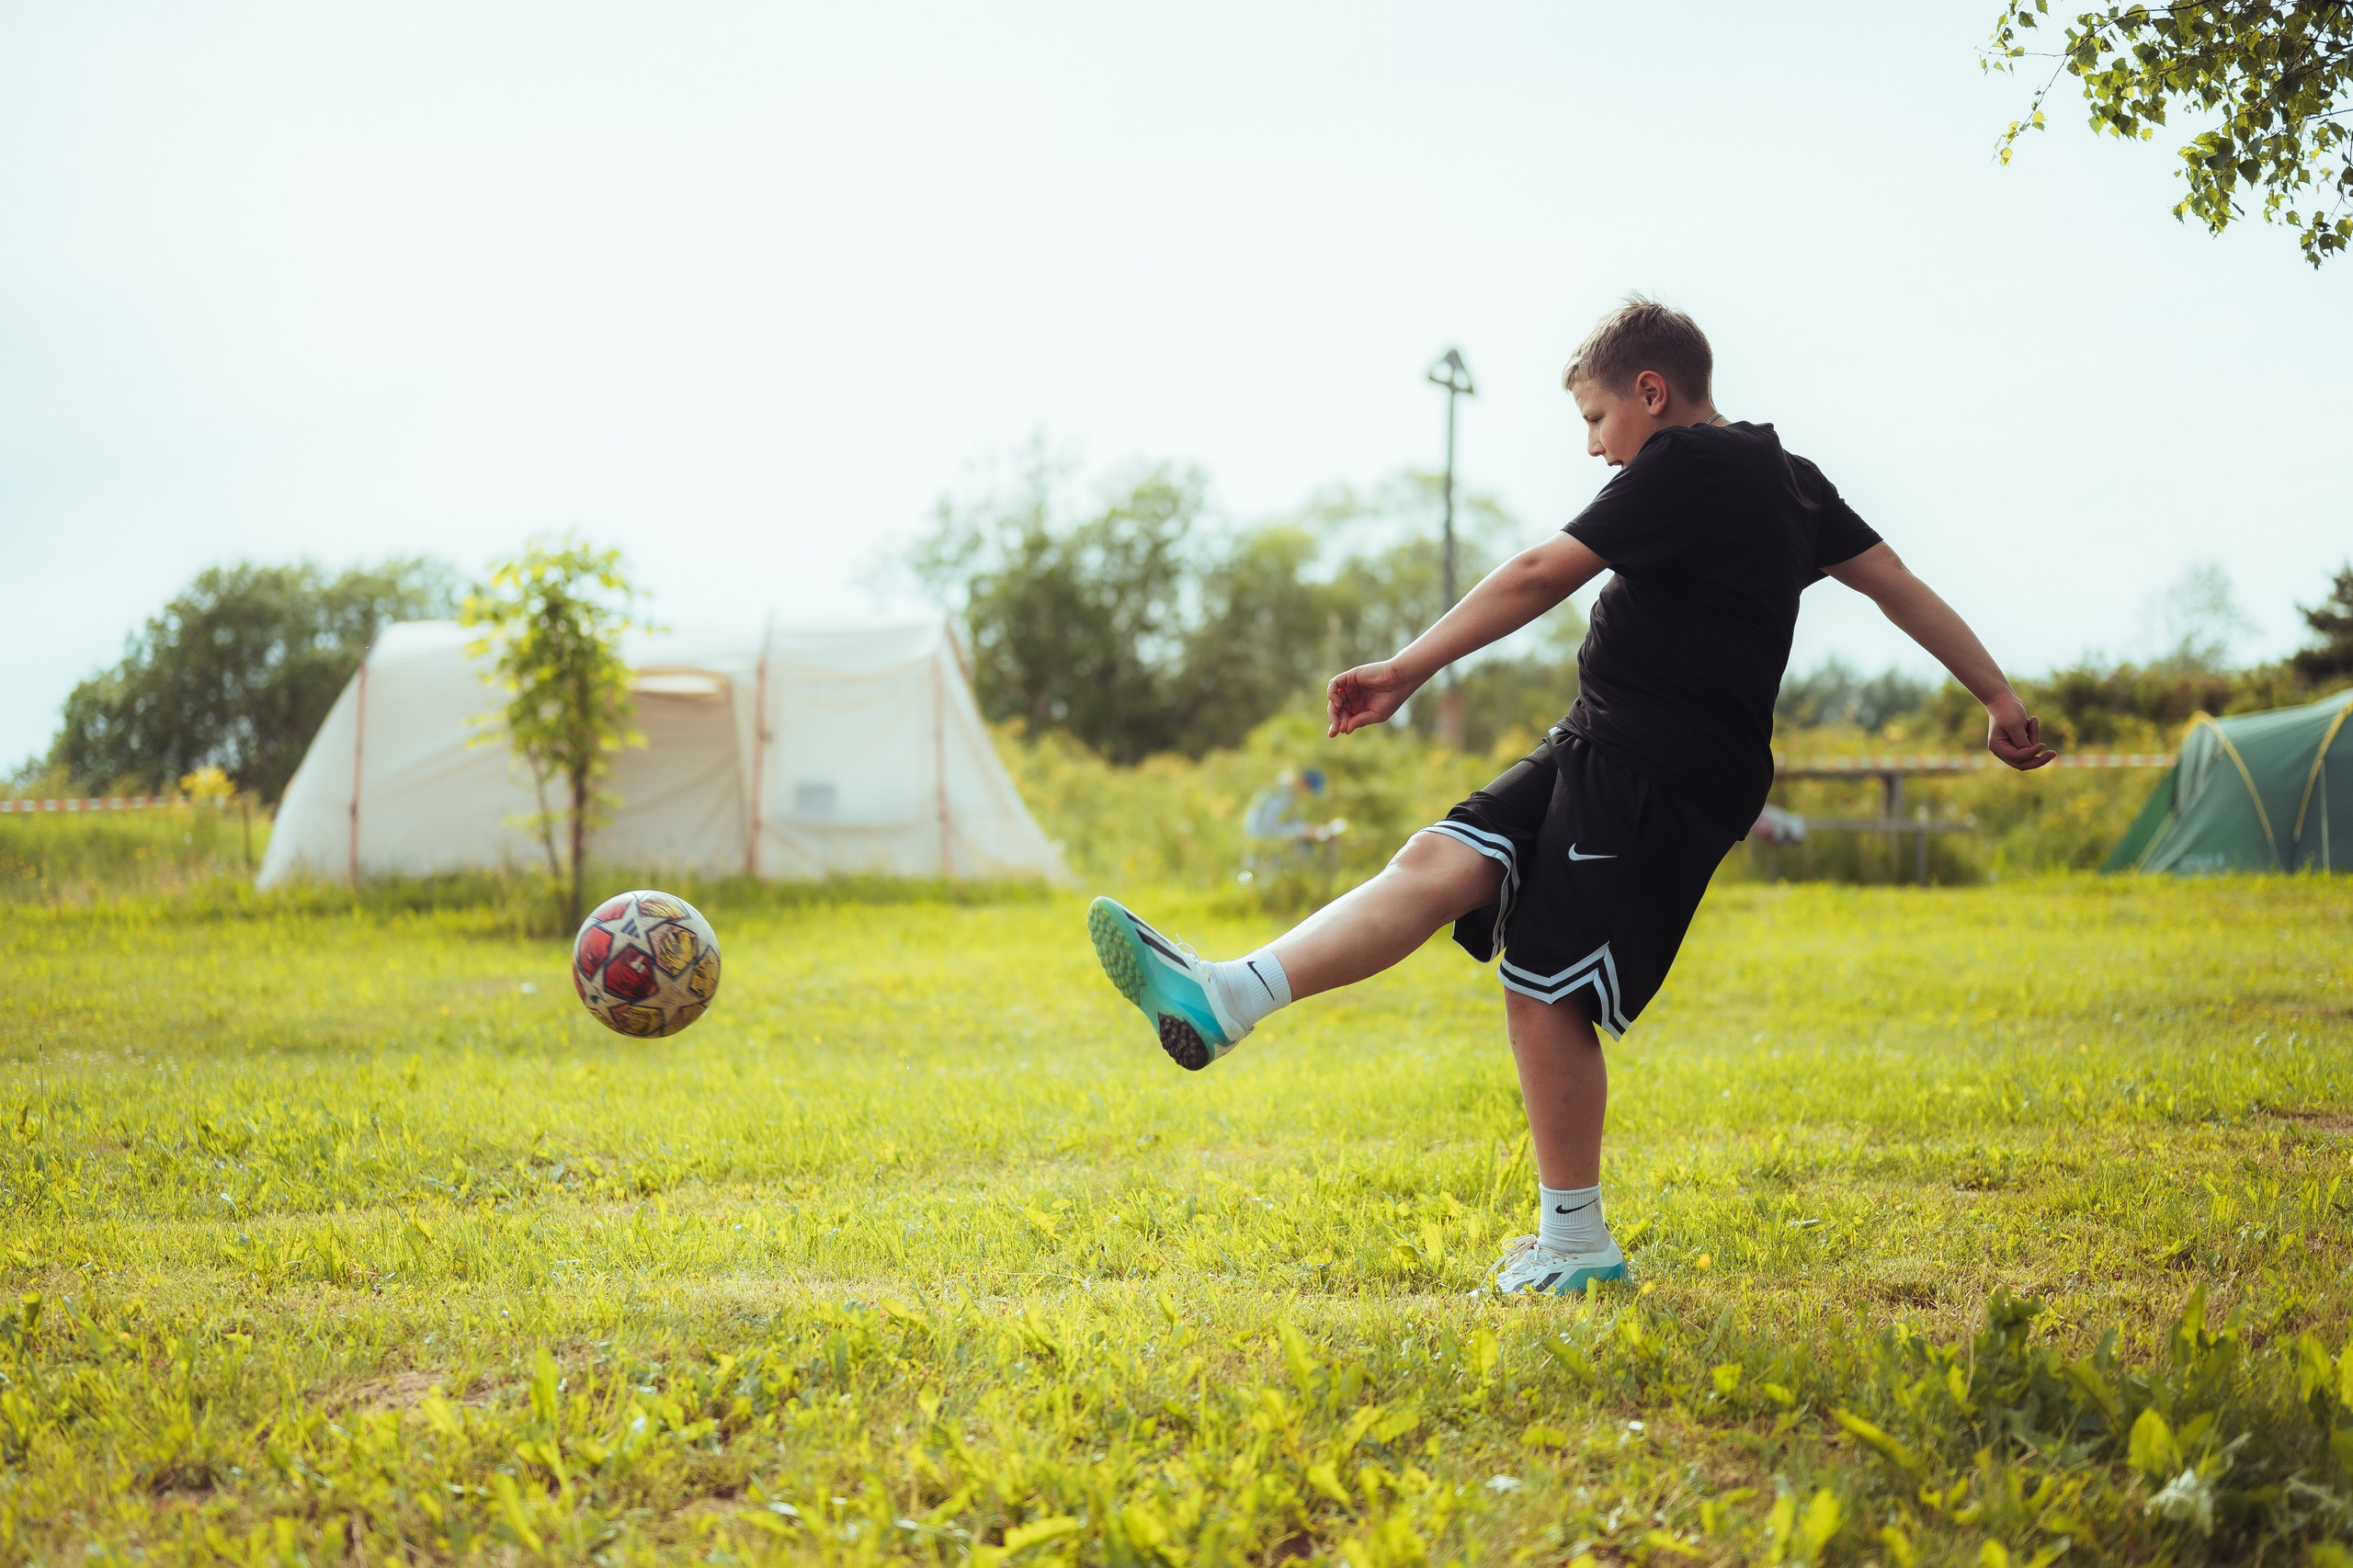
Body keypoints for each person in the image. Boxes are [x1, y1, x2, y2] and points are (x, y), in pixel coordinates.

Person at [1086, 296, 2055, 1295]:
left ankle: (1578, 1246)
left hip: (1657, 769)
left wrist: (1406, 668)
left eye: (1595, 419)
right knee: (1436, 860)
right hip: (1599, 742)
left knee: (1544, 988)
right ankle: (1227, 996)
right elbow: (1892, 580)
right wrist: (1993, 692)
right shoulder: (1791, 480)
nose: (1595, 448)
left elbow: (1543, 570)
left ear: (1651, 391)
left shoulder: (1686, 461)